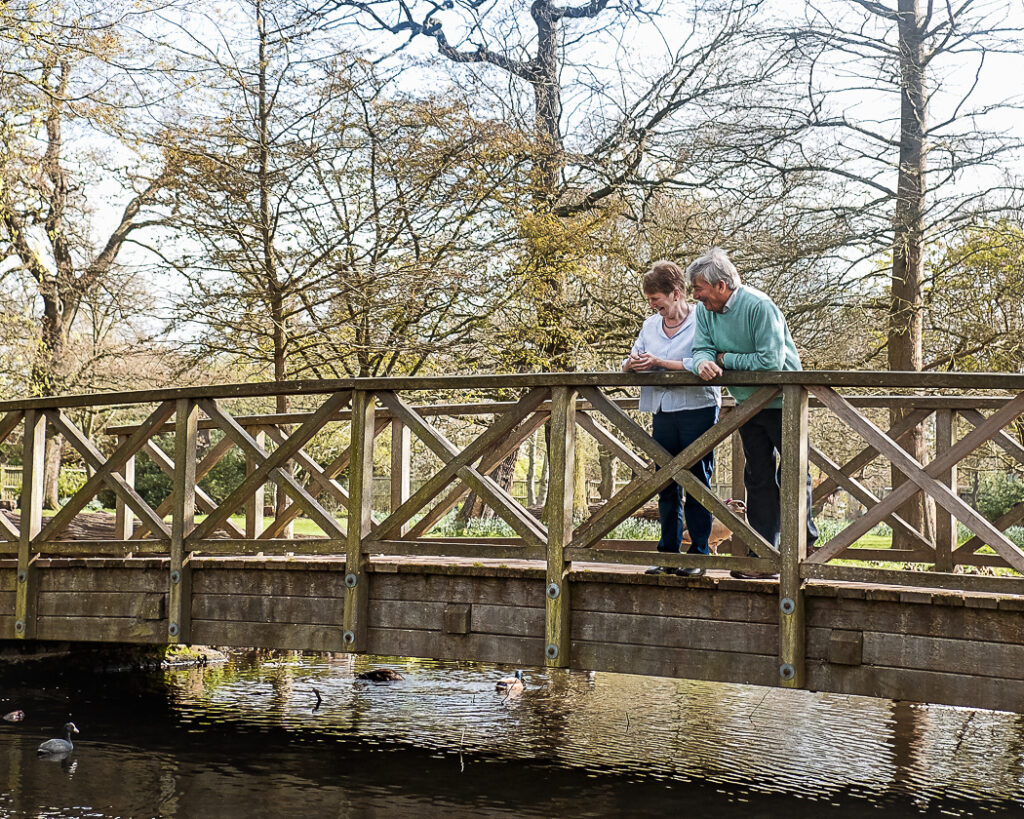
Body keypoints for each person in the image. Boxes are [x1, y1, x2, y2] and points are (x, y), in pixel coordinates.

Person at [688, 248, 818, 579]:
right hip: (747, 402)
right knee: (757, 476)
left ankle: (803, 546)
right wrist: (703, 360)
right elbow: (701, 346)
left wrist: (725, 360)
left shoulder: (759, 307)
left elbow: (770, 363)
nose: (697, 299)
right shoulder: (706, 311)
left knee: (791, 472)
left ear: (720, 285)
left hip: (782, 398)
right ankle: (762, 552)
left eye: (700, 290)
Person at [623, 260, 721, 577]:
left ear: (676, 293)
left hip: (698, 408)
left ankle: (698, 554)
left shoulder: (703, 319)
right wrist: (631, 365)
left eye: (656, 300)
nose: (653, 306)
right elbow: (634, 355)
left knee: (696, 482)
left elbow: (706, 359)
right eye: (651, 301)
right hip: (663, 409)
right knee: (666, 482)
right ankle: (668, 553)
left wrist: (662, 361)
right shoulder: (650, 325)